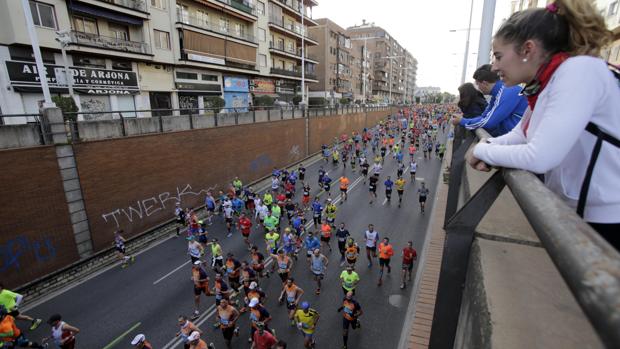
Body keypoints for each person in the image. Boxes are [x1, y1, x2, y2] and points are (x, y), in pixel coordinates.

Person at [469, 0, 620, 249]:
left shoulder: (578, 71)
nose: (494, 67)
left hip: (608, 218)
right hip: (581, 210)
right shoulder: (548, 82)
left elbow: (539, 156)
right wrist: (489, 144)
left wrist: (482, 150)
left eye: (498, 56)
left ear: (527, 49)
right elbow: (520, 134)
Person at [452, 64, 528, 137]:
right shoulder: (497, 94)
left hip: (523, 142)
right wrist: (464, 119)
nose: (478, 88)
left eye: (478, 84)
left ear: (484, 83)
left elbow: (488, 122)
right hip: (515, 139)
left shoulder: (507, 90)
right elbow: (484, 117)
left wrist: (462, 121)